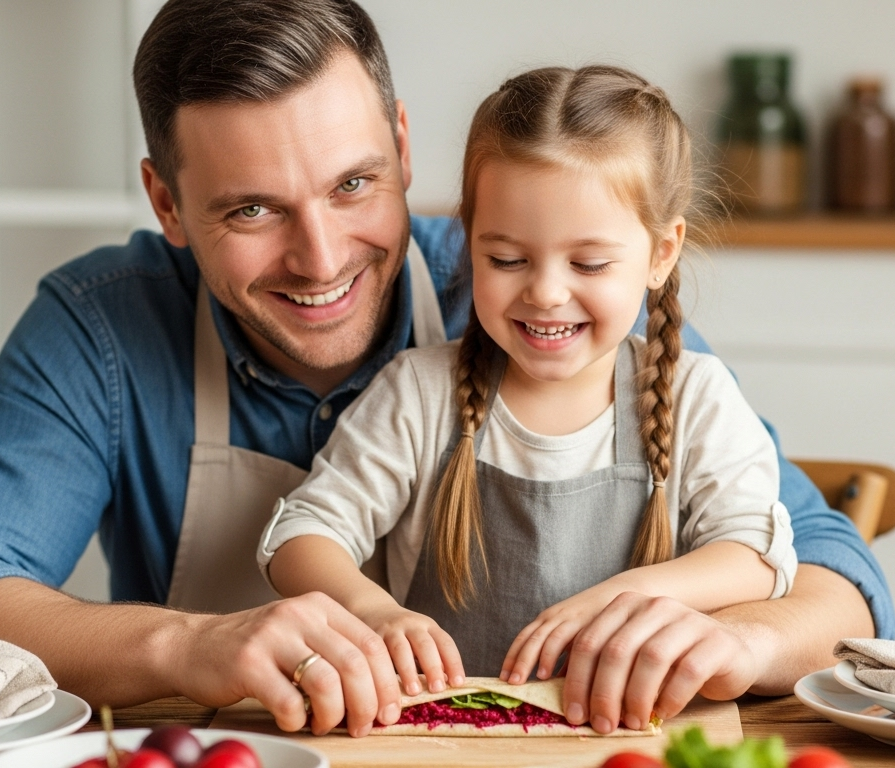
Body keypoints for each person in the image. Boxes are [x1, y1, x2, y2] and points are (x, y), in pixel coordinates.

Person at [0, 0, 892, 739]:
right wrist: (185, 650)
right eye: (251, 209)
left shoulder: (542, 297)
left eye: (355, 184)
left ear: (402, 147)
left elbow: (836, 582)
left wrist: (742, 644)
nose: (320, 260)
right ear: (167, 204)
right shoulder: (103, 324)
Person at [261, 64, 800, 734]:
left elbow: (755, 552)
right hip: (439, 745)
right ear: (468, 241)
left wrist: (621, 597)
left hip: (630, 741)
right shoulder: (418, 394)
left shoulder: (697, 396)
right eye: (508, 260)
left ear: (662, 252)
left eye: (588, 263)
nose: (545, 292)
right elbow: (299, 536)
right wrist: (371, 614)